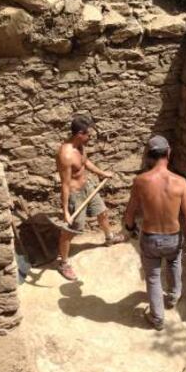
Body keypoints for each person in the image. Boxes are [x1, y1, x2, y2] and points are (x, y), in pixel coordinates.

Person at [124, 135, 186, 330]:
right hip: (174, 237)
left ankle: (157, 319)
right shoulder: (180, 182)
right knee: (174, 263)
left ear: (148, 155)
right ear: (169, 153)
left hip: (150, 237)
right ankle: (173, 297)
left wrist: (130, 228)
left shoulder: (141, 181)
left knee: (154, 277)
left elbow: (130, 212)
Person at [56, 114, 125, 281]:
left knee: (102, 212)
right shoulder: (65, 155)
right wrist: (65, 210)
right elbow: (65, 184)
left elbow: (85, 163)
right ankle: (63, 262)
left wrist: (102, 173)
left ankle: (109, 238)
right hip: (75, 195)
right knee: (72, 229)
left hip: (88, 188)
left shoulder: (80, 146)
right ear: (80, 133)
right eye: (88, 134)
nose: (90, 137)